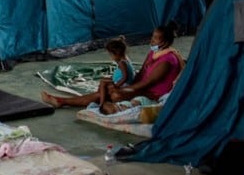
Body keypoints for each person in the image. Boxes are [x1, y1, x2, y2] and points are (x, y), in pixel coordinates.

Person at [41, 25, 184, 114]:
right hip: (141, 87)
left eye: (156, 39)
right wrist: (128, 85)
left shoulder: (167, 60)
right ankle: (62, 101)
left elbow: (148, 83)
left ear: (165, 42)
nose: (151, 41)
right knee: (109, 90)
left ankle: (63, 101)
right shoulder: (154, 52)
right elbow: (141, 74)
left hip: (153, 93)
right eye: (152, 37)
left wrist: (127, 89)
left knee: (114, 94)